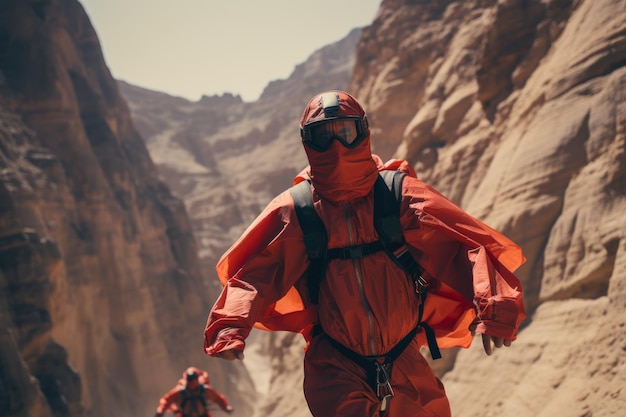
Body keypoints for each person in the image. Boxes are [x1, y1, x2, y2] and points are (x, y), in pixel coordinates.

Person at [203, 90, 526, 416]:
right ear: (306, 142)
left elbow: (464, 247)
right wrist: (230, 324)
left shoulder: (399, 195)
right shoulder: (297, 209)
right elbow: (257, 275)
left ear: (363, 131)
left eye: (344, 132)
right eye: (322, 137)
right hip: (335, 364)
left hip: (405, 357)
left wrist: (495, 307)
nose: (337, 148)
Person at [154, 367, 233, 417]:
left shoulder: (205, 390)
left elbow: (218, 398)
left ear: (197, 378)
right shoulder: (180, 391)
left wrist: (226, 407)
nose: (192, 382)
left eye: (194, 379)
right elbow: (167, 400)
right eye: (190, 379)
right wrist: (160, 410)